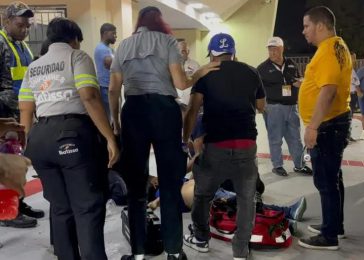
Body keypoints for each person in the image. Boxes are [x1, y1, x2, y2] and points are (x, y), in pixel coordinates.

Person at [109, 6, 219, 260]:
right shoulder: (168, 41)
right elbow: (180, 83)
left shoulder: (124, 45)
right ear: (160, 21)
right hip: (163, 111)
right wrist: (199, 73)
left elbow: (114, 89)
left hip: (133, 111)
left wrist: (115, 122)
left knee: (136, 186)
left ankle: (138, 252)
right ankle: (173, 251)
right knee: (170, 184)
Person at [18, 17, 119, 260]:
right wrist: (110, 138)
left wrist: (26, 146)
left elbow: (25, 110)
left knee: (61, 208)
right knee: (87, 207)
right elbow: (89, 97)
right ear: (74, 39)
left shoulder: (34, 66)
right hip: (71, 135)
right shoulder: (77, 56)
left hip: (40, 139)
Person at [182, 33, 265, 260]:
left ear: (211, 53)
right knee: (247, 199)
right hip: (247, 146)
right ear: (233, 52)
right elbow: (260, 106)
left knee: (202, 195)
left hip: (216, 146)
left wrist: (185, 137)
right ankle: (240, 251)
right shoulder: (251, 71)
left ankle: (201, 239)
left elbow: (192, 109)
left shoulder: (206, 74)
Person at [298, 6, 352, 250]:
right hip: (335, 122)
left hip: (328, 125)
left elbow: (328, 91)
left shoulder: (328, 51)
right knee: (333, 177)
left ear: (320, 26)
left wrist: (313, 127)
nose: (303, 31)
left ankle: (328, 236)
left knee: (325, 181)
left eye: (307, 26)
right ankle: (334, 225)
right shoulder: (337, 45)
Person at [0, 0, 44, 228]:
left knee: (19, 163)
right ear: (6, 21)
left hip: (20, 116)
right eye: (20, 25)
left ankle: (18, 202)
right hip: (4, 119)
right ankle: (7, 213)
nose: (25, 30)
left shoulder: (23, 46)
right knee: (6, 165)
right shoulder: (0, 43)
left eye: (28, 26)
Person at [257, 36, 312, 177]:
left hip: (292, 107)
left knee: (295, 138)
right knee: (275, 138)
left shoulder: (291, 64)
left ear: (282, 49)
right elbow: (257, 90)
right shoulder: (262, 68)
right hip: (273, 107)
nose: (272, 52)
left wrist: (300, 82)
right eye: (270, 49)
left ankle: (299, 165)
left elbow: (298, 78)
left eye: (275, 49)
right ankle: (277, 165)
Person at [94, 23, 117, 119]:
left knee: (113, 114)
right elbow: (112, 65)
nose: (116, 36)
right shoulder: (102, 49)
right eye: (113, 33)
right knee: (109, 116)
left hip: (110, 86)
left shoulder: (109, 49)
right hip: (106, 88)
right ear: (105, 33)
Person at [176, 39, 200, 106]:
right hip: (176, 101)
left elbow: (199, 84)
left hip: (190, 100)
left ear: (188, 51)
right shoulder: (171, 65)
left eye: (183, 51)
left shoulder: (195, 65)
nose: (180, 54)